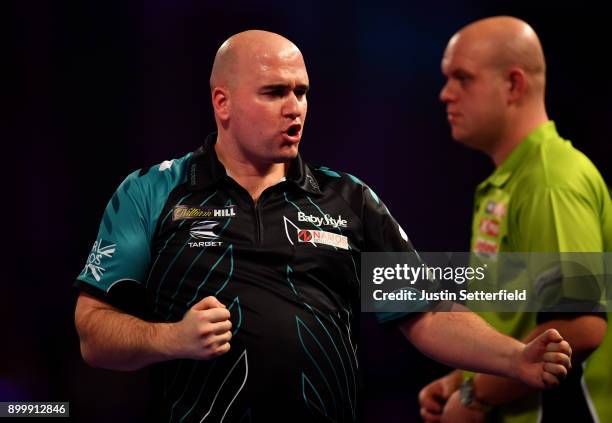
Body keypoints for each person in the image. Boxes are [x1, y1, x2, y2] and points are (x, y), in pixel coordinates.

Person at [74, 30, 571, 423]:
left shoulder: (349, 199)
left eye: (302, 91)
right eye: (274, 92)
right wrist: (173, 339)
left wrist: (515, 358)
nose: (295, 108)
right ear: (222, 103)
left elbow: (429, 315)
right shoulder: (150, 192)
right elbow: (94, 335)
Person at [419, 16, 612, 423]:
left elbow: (579, 326)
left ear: (513, 84)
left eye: (462, 78)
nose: (445, 94)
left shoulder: (550, 180)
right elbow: (514, 315)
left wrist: (476, 396)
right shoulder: (513, 181)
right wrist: (461, 377)